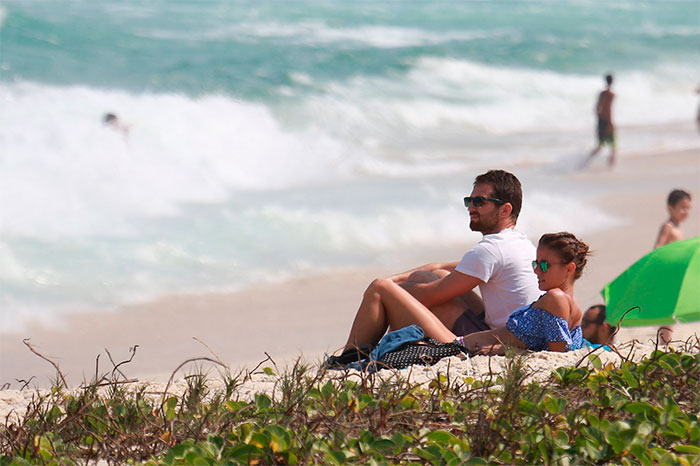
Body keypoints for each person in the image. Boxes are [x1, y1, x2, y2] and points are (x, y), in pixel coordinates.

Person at [336, 232, 588, 358]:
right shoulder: (569, 304)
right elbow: (559, 347)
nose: (537, 271)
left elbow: (555, 355)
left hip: (462, 348)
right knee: (422, 279)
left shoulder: (555, 298)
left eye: (544, 265)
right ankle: (353, 355)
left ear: (569, 269)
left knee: (380, 287)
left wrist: (501, 351)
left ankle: (349, 357)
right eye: (536, 263)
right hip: (466, 344)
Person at [653, 189, 692, 344]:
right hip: (667, 274)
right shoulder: (668, 227)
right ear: (670, 208)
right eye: (682, 207)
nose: (686, 211)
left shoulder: (678, 228)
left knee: (672, 312)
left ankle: (665, 342)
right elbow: (658, 248)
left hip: (677, 274)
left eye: (688, 208)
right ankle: (664, 344)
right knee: (667, 312)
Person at [584, 74, 616, 167]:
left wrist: (599, 121)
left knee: (601, 147)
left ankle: (585, 162)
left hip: (602, 123)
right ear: (612, 81)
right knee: (612, 147)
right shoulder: (611, 95)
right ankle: (610, 169)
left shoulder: (604, 94)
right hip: (608, 123)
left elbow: (597, 109)